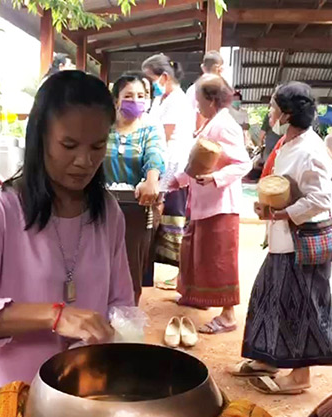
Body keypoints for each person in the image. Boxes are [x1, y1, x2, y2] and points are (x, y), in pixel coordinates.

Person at [0, 71, 134, 391]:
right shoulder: (3, 210)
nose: (84, 161)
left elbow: (122, 305)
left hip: (87, 398)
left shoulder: (107, 213)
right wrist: (54, 316)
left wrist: (114, 336)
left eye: (97, 146)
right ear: (40, 137)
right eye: (69, 145)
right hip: (14, 398)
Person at [237, 82, 332, 395]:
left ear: (288, 113)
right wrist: (268, 206)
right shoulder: (287, 143)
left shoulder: (311, 150)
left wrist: (283, 214)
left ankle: (300, 376)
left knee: (301, 305)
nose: (270, 112)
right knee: (269, 296)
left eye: (273, 107)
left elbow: (321, 198)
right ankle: (267, 359)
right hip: (285, 239)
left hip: (303, 243)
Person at [171, 75, 251, 333]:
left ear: (212, 100)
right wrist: (179, 180)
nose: (196, 104)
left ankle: (228, 315)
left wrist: (216, 178)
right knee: (199, 253)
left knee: (219, 258)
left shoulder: (225, 125)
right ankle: (198, 297)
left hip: (220, 203)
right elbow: (199, 163)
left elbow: (243, 163)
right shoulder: (211, 123)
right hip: (204, 201)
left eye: (199, 99)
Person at [105, 73, 166, 303]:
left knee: (131, 267)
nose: (136, 100)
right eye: (128, 96)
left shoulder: (149, 129)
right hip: (101, 207)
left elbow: (154, 155)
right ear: (116, 100)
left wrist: (151, 180)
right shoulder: (104, 127)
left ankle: (127, 321)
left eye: (141, 96)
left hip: (135, 209)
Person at [141, 54, 194, 290]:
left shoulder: (177, 101)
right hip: (162, 166)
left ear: (163, 77)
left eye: (149, 79)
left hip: (172, 168)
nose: (148, 85)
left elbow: (165, 138)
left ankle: (184, 276)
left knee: (174, 223)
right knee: (161, 223)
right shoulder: (162, 99)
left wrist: (160, 179)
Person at [188, 51, 225, 131]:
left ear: (202, 67)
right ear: (218, 69)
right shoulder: (208, 87)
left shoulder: (191, 88)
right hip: (203, 134)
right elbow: (200, 115)